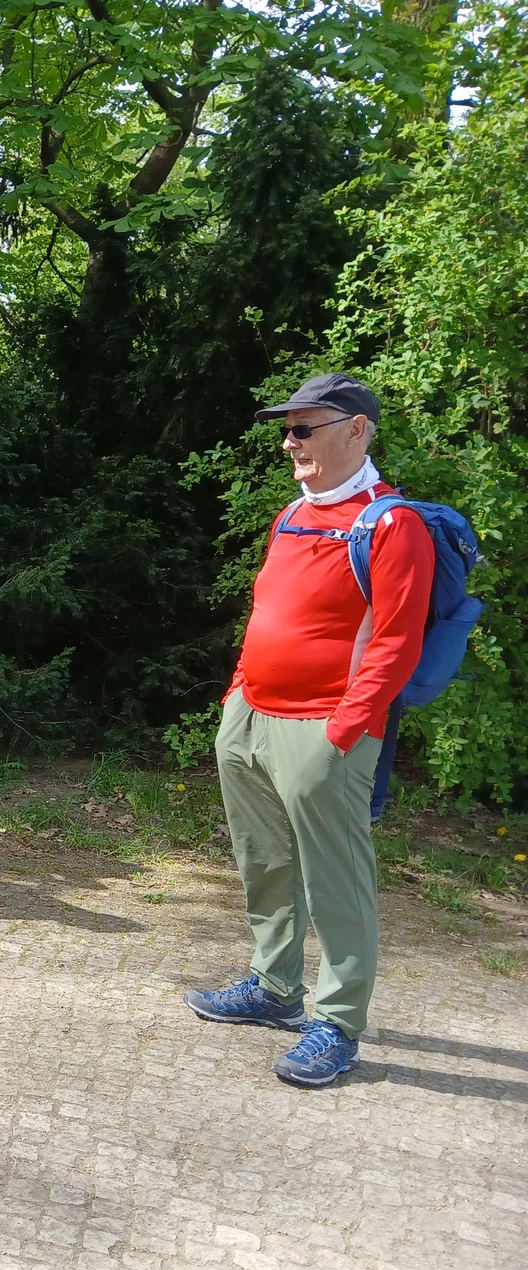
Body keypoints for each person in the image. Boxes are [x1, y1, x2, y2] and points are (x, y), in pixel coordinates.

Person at [184, 373, 434, 1087]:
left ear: (356, 429)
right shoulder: (292, 515)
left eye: (304, 428)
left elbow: (394, 644)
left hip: (327, 729)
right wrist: (237, 697)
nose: (289, 442)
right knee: (263, 860)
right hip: (252, 717)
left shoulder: (392, 525)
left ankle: (339, 1023)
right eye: (285, 430)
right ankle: (273, 988)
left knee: (337, 880)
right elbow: (266, 608)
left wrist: (345, 733)